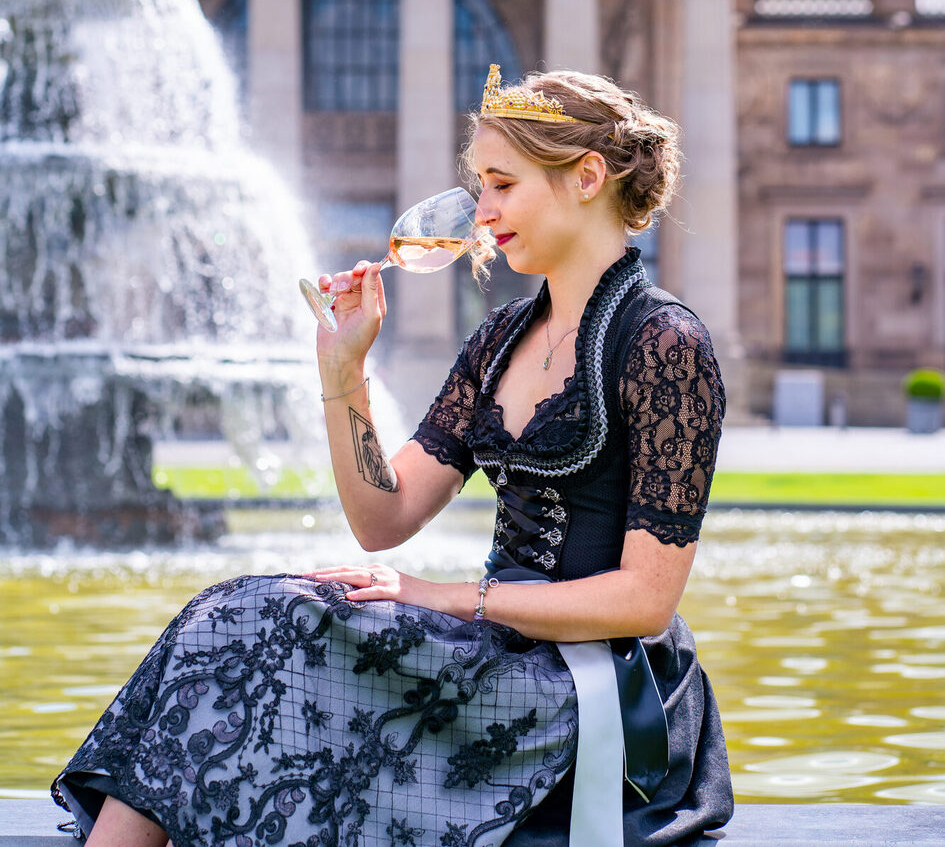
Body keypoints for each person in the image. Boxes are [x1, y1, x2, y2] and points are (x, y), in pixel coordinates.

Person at [52, 66, 733, 847]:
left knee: (252, 625)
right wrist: (343, 372)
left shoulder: (663, 343)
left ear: (585, 178)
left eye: (502, 185)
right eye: (479, 186)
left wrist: (441, 598)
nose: (482, 213)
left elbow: (643, 602)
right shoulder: (501, 338)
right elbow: (384, 517)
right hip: (492, 652)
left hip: (588, 688)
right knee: (229, 613)